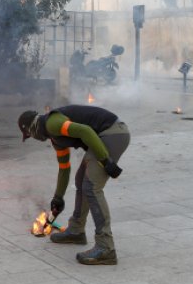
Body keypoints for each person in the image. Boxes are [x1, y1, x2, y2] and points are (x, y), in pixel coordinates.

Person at [18, 104, 130, 265]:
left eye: (29, 134)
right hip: (106, 135)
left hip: (113, 132)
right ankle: (76, 231)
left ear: (32, 127)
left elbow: (86, 131)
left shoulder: (52, 123)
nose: (32, 137)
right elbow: (64, 169)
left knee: (91, 186)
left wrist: (105, 161)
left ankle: (106, 247)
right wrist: (58, 198)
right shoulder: (55, 139)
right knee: (80, 180)